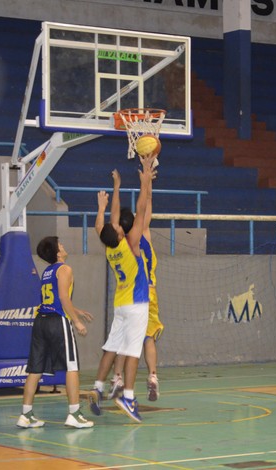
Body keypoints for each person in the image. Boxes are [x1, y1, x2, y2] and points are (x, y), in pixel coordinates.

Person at [88, 155, 155, 423]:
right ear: (118, 233)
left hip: (120, 304)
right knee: (130, 352)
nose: (117, 224)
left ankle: (97, 387)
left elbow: (102, 224)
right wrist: (145, 182)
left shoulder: (109, 246)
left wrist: (112, 194)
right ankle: (128, 397)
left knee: (111, 348)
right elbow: (140, 210)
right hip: (137, 303)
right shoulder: (131, 244)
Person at [16, 236, 94, 429]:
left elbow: (55, 300)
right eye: (61, 244)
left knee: (35, 369)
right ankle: (74, 413)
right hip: (57, 322)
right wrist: (76, 321)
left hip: (41, 321)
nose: (63, 246)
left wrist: (76, 310)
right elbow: (62, 297)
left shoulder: (47, 272)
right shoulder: (64, 269)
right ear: (57, 252)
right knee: (72, 366)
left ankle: (25, 415)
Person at [107, 172, 163, 402]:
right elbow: (146, 204)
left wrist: (116, 188)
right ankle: (152, 376)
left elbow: (111, 222)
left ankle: (117, 378)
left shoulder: (121, 245)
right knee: (148, 338)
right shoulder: (144, 236)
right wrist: (147, 178)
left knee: (122, 339)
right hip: (149, 293)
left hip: (128, 295)